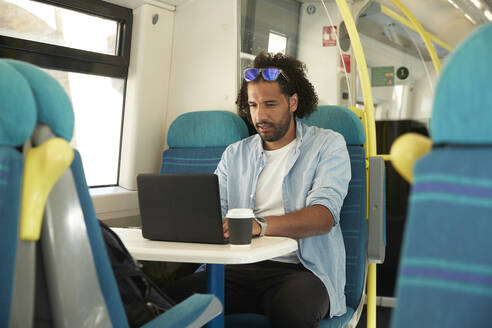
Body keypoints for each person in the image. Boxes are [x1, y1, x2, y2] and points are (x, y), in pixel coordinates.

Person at [164, 52, 351, 328]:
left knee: (294, 311)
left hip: (301, 271)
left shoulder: (327, 145)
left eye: (270, 104)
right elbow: (215, 210)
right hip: (235, 268)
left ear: (293, 102)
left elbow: (323, 217)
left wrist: (259, 226)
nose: (259, 115)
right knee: (165, 302)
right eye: (252, 105)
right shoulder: (235, 154)